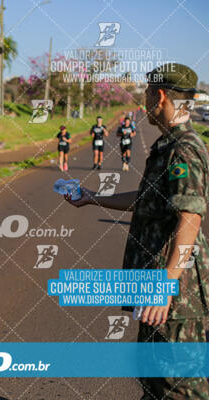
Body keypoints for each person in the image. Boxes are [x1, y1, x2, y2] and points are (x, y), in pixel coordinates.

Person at [66, 63, 209, 399]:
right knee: (154, 379)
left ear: (159, 96)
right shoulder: (169, 144)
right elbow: (148, 198)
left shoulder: (182, 149)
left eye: (146, 95)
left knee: (180, 387)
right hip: (158, 285)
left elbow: (190, 218)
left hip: (175, 293)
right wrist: (93, 198)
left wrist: (166, 283)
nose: (145, 103)